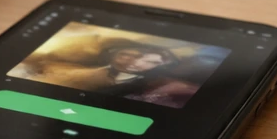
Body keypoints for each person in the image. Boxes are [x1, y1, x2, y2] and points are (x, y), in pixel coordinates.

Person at [15, 43, 177, 93]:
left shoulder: (153, 88)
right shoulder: (60, 66)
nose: (135, 62)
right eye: (128, 55)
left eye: (151, 62)